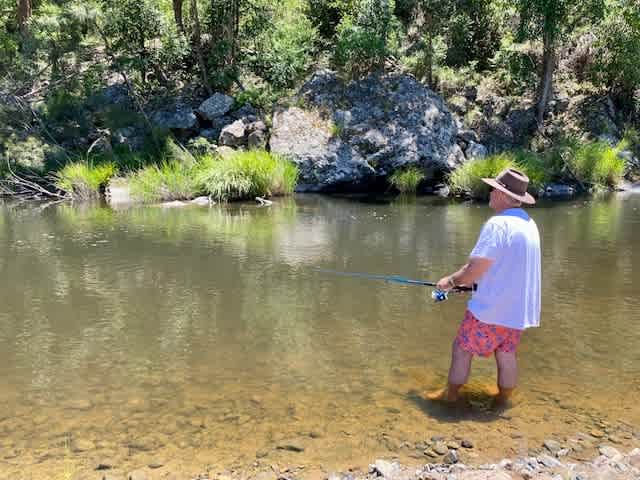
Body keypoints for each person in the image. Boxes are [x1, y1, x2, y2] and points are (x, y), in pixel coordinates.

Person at [428, 168, 541, 405]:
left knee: (461, 348)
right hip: (516, 311)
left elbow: (475, 268)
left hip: (492, 311)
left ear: (501, 193)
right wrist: (472, 287)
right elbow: (507, 270)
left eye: (493, 188)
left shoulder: (498, 224)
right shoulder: (529, 224)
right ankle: (504, 400)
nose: (489, 192)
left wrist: (449, 282)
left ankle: (451, 397)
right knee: (506, 353)